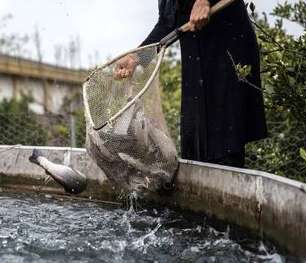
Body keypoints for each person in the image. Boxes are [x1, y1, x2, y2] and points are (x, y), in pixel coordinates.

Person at [114, 0, 267, 168]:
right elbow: (167, 23)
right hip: (196, 59)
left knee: (224, 145)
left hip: (227, 52)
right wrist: (136, 58)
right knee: (195, 143)